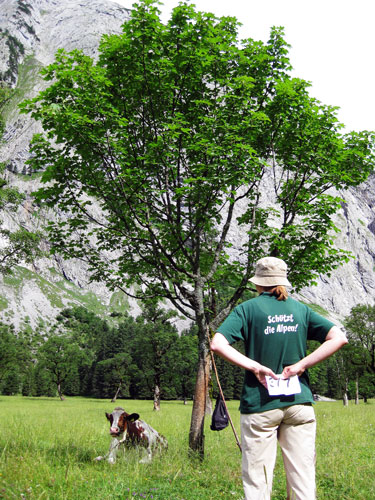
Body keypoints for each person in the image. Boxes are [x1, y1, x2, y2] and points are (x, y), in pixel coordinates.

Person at [210, 256, 348, 500]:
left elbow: (217, 344)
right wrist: (300, 366)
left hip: (260, 405)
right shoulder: (300, 309)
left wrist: (255, 367)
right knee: (303, 479)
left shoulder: (247, 309)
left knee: (257, 482)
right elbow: (339, 337)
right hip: (299, 403)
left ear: (258, 283)